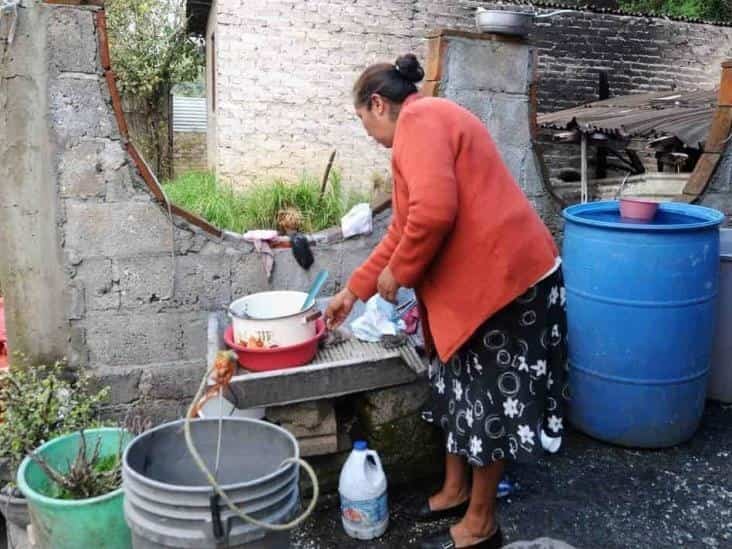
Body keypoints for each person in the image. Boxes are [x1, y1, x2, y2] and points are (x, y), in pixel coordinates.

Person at [325, 54, 568, 549]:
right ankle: (457, 489)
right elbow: (404, 226)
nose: (367, 133)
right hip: (485, 280)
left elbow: (434, 214)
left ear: (378, 104)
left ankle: (481, 522)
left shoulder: (420, 120)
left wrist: (402, 272)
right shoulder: (422, 127)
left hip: (510, 281)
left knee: (487, 401)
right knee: (455, 387)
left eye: (363, 121)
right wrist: (353, 291)